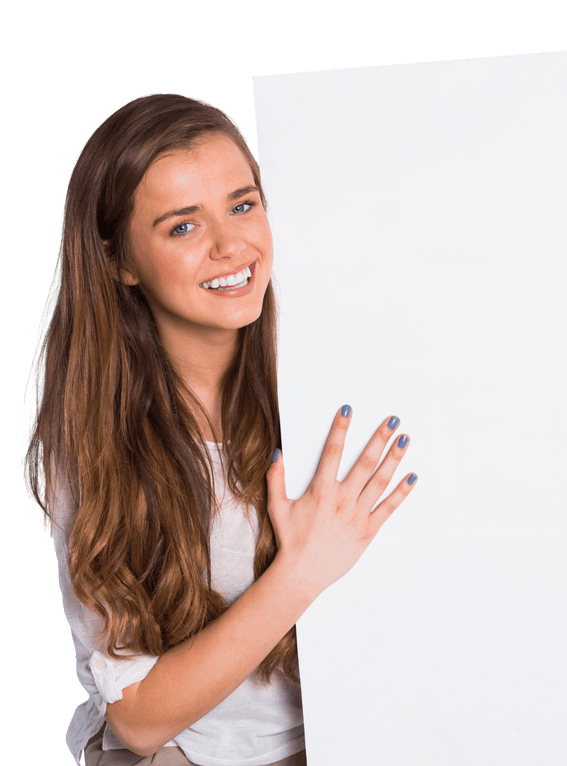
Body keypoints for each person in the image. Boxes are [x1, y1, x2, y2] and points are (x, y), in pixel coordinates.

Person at [21, 93, 419, 765]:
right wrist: (302, 572)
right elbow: (141, 722)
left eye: (243, 204)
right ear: (120, 263)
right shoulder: (90, 432)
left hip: (353, 736)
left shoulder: (334, 371)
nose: (232, 245)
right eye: (182, 227)